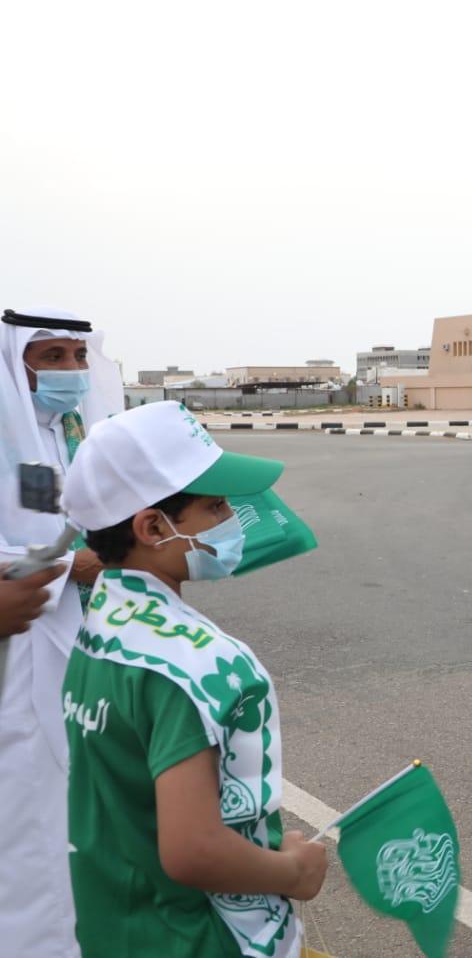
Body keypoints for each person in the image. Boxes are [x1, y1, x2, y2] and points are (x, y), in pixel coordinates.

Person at [59, 401, 327, 956]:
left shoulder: (98, 634)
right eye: (216, 505)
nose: (235, 518)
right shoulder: (198, 663)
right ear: (153, 527)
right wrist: (291, 870)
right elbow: (194, 851)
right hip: (197, 938)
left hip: (114, 925)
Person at [0, 306, 124, 955]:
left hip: (81, 657)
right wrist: (63, 569)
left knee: (74, 814)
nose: (71, 372)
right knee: (25, 824)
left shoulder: (77, 434)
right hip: (15, 659)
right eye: (52, 358)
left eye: (78, 358)